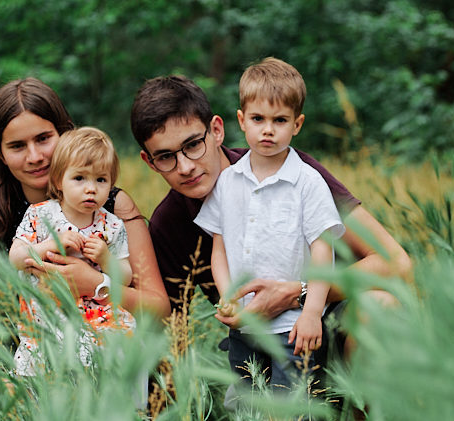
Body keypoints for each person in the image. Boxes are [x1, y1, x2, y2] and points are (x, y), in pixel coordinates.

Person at [129, 70, 411, 352]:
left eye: (192, 145)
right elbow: (166, 330)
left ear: (216, 130)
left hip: (333, 320)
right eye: (166, 156)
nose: (185, 166)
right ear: (149, 161)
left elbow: (396, 263)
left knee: (381, 308)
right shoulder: (169, 224)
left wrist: (298, 295)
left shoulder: (293, 170)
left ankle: (361, 394)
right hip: (257, 348)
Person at [0, 77, 170, 320]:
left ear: (64, 133)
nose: (34, 156)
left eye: (43, 138)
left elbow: (160, 308)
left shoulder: (110, 206)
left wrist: (97, 284)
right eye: (17, 146)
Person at [194, 58, 345, 390]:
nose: (268, 129)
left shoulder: (308, 182)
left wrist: (311, 313)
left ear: (297, 124)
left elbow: (323, 253)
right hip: (245, 326)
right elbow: (218, 250)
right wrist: (227, 295)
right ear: (241, 120)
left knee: (291, 404)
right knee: (247, 405)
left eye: (280, 120)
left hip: (292, 327)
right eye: (258, 119)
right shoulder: (227, 182)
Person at [9, 127, 136, 375]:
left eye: (101, 180)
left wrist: (105, 258)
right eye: (79, 178)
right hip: (47, 313)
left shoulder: (111, 225)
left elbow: (126, 277)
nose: (91, 188)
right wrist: (49, 245)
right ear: (58, 181)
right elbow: (15, 258)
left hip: (96, 317)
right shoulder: (40, 214)